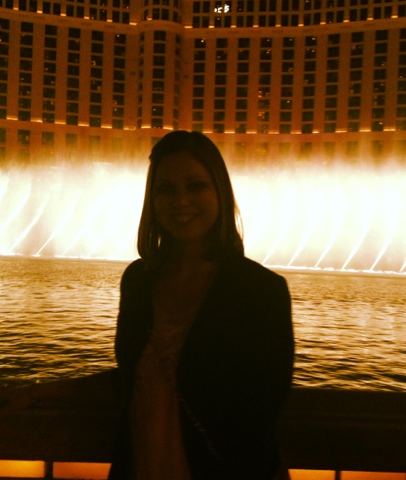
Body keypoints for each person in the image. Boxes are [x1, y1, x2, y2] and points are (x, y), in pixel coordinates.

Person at [109, 130, 294, 480]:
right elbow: (131, 377)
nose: (180, 200)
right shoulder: (137, 281)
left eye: (196, 186)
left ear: (219, 192)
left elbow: (263, 410)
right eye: (166, 189)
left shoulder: (261, 291)